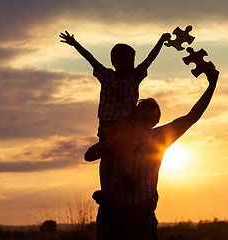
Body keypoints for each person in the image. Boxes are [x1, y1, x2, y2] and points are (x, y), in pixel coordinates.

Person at [85, 67, 219, 240]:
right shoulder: (116, 133)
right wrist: (113, 142)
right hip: (110, 213)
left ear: (157, 120)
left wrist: (212, 84)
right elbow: (89, 155)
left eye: (153, 106)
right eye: (143, 104)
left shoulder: (160, 136)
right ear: (134, 112)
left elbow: (192, 116)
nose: (148, 106)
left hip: (140, 212)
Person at [59, 30, 171, 184]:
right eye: (125, 61)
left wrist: (161, 41)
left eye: (131, 61)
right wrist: (75, 44)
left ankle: (127, 176)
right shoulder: (107, 76)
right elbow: (90, 58)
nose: (129, 65)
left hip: (125, 124)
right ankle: (106, 188)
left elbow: (149, 59)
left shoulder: (134, 77)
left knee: (126, 150)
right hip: (107, 125)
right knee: (107, 156)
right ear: (115, 62)